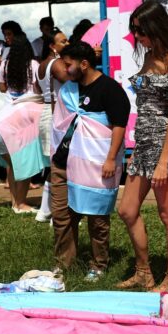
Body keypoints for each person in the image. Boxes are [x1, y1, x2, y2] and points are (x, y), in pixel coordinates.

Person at [117, 0, 168, 292]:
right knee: (127, 209)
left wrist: (164, 162)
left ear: (155, 26)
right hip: (143, 142)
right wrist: (139, 149)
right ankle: (143, 271)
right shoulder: (149, 56)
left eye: (140, 30)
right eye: (134, 30)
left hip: (164, 144)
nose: (137, 36)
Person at [49, 41, 130, 281]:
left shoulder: (110, 89)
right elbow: (60, 124)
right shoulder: (68, 91)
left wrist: (110, 159)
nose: (64, 69)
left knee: (97, 217)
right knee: (62, 217)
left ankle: (98, 264)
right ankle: (64, 264)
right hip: (64, 163)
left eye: (68, 64)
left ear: (84, 64)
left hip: (96, 163)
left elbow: (118, 126)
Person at [0, 36, 42, 214]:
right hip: (25, 115)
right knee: (25, 163)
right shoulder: (33, 65)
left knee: (14, 165)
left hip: (4, 114)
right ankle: (21, 203)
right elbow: (38, 88)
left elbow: (1, 87)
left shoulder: (5, 64)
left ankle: (15, 202)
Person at [34, 28, 70, 223]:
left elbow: (35, 87)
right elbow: (73, 77)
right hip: (56, 114)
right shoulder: (56, 64)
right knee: (63, 167)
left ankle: (44, 211)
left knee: (55, 166)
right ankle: (58, 213)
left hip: (47, 112)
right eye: (63, 42)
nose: (67, 44)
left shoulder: (41, 65)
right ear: (52, 46)